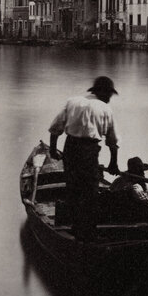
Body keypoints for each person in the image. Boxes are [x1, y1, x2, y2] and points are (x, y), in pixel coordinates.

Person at [48, 76, 120, 240]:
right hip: (88, 151)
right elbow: (112, 141)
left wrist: (53, 150)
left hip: (70, 148)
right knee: (90, 192)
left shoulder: (72, 101)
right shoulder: (105, 109)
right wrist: (113, 164)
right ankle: (89, 233)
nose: (109, 98)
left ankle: (75, 228)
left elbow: (55, 129)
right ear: (101, 92)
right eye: (109, 94)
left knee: (73, 187)